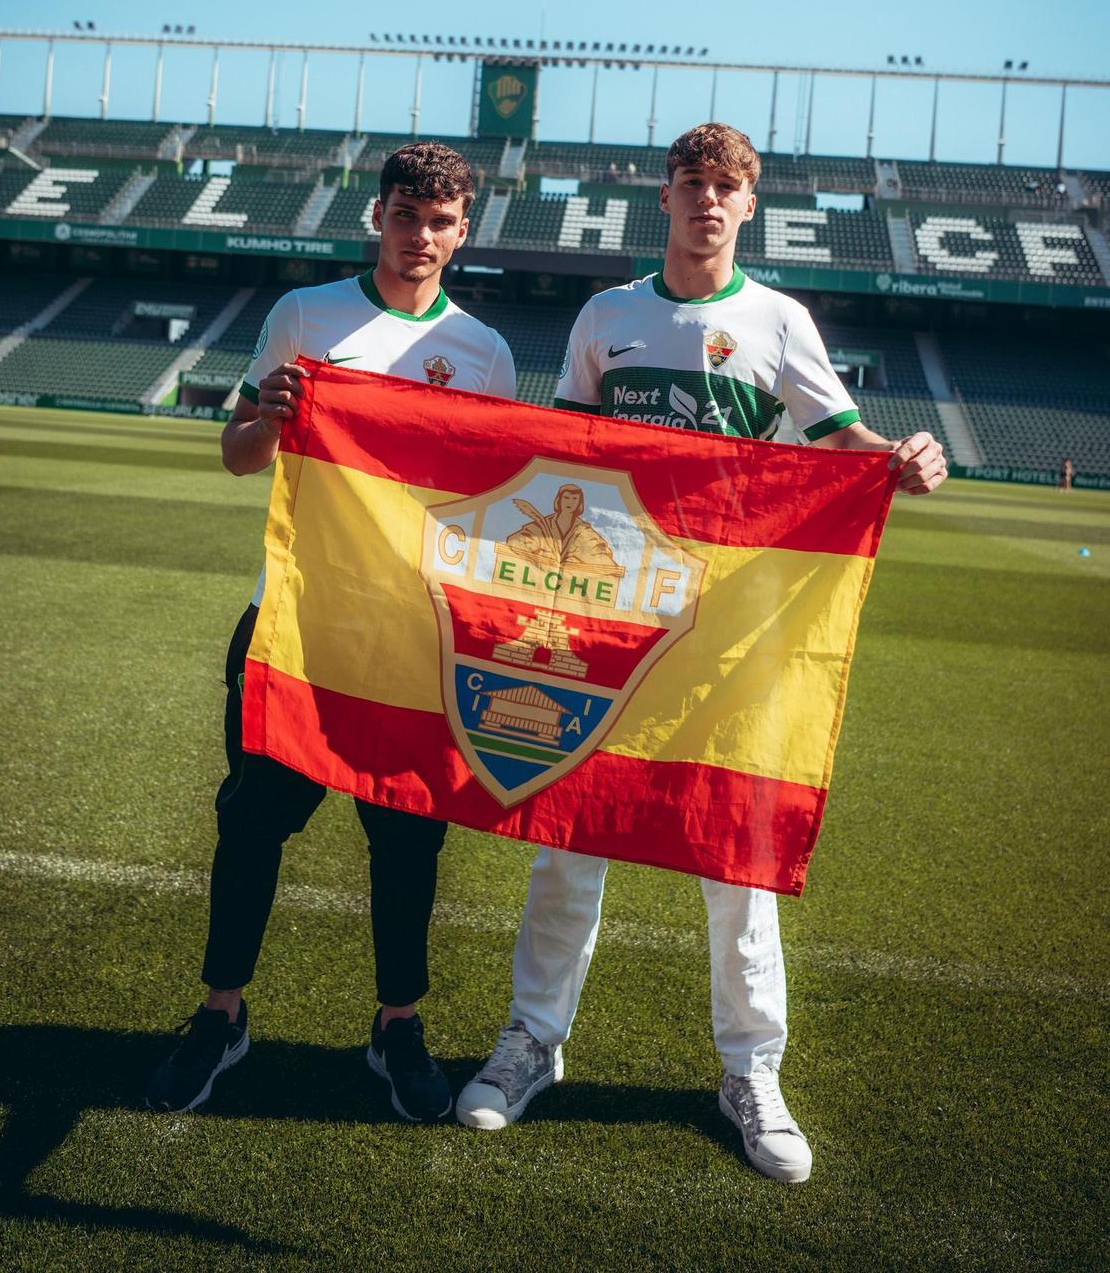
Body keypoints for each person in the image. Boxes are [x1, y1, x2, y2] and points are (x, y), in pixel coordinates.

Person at [456, 122, 946, 1181]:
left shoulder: (778, 320)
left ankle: (751, 1072)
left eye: (727, 186)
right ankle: (532, 1043)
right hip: (614, 616)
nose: (709, 202)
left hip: (732, 628)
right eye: (693, 184)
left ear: (749, 204)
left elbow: (840, 441)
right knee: (568, 832)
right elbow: (568, 453)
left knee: (738, 850)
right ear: (665, 197)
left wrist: (903, 456)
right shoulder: (609, 314)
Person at [146, 142, 516, 1121]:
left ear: (463, 229)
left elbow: (490, 504)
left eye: (440, 222)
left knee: (407, 846)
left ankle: (397, 1027)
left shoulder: (485, 355)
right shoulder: (304, 315)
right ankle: (222, 1014)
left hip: (412, 645)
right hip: (297, 625)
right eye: (405, 216)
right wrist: (264, 419)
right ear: (379, 216)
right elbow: (235, 455)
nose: (421, 237)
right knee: (252, 822)